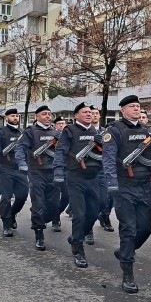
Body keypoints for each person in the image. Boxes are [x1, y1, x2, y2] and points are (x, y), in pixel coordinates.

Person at [102, 94, 151, 294]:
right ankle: (128, 273)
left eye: (138, 106)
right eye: (132, 106)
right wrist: (112, 182)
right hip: (124, 187)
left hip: (143, 186)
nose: (136, 109)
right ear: (123, 110)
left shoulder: (148, 131)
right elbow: (108, 158)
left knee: (145, 229)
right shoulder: (114, 131)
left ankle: (125, 251)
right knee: (129, 229)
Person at [53, 102, 103, 268]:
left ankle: (77, 236)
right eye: (84, 112)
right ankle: (78, 249)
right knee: (80, 214)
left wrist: (102, 144)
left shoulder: (96, 132)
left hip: (94, 178)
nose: (89, 114)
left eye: (90, 112)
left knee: (94, 212)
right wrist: (59, 172)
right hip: (76, 178)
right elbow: (60, 151)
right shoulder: (70, 131)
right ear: (76, 115)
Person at [15, 105, 61, 250]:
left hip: (53, 172)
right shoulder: (30, 132)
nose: (48, 116)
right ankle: (39, 234)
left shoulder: (56, 132)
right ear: (37, 117)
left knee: (54, 205)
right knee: (38, 203)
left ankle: (41, 219)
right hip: (36, 172)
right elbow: (20, 148)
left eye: (49, 114)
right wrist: (22, 164)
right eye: (44, 114)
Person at [0, 108, 29, 237]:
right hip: (6, 168)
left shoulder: (23, 132)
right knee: (6, 197)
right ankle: (6, 223)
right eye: (12, 116)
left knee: (22, 196)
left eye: (17, 116)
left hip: (20, 169)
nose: (15, 118)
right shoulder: (1, 132)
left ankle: (11, 214)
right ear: (6, 118)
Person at [90, 106, 115, 233]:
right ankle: (88, 230)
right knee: (90, 201)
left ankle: (104, 215)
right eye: (91, 113)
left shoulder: (106, 132)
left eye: (96, 113)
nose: (94, 115)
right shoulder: (84, 131)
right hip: (87, 170)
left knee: (105, 199)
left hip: (103, 169)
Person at [52, 116, 68, 232]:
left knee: (67, 196)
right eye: (59, 123)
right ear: (55, 125)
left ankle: (57, 212)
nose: (61, 125)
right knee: (55, 196)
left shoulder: (69, 135)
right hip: (53, 169)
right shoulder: (51, 135)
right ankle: (55, 218)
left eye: (63, 123)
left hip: (67, 169)